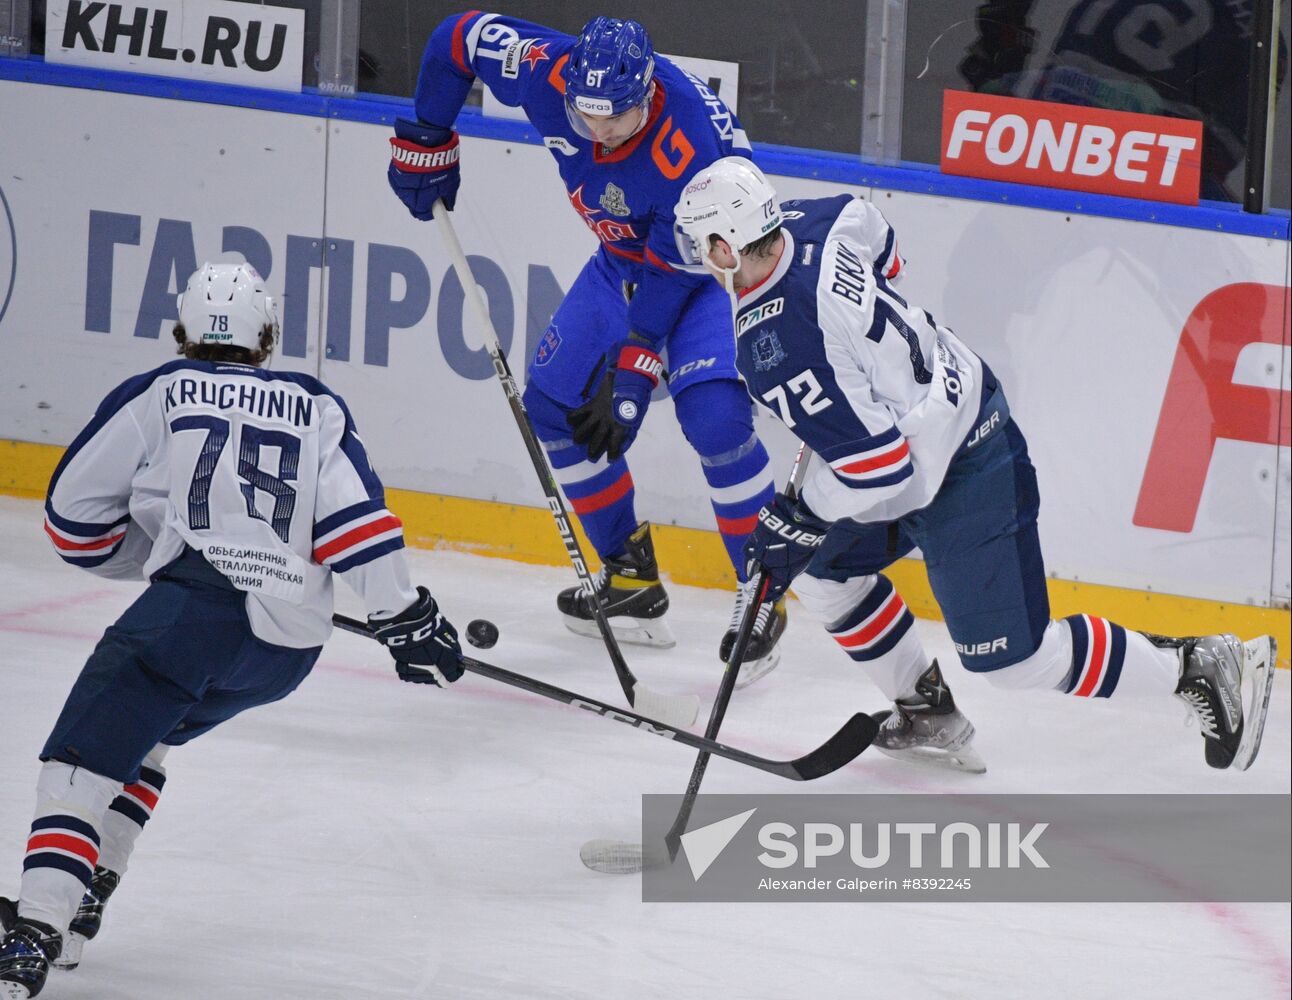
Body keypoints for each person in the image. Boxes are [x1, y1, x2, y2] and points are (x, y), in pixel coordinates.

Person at [672, 158, 1277, 773]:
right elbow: (876, 233)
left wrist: (799, 513)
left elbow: (879, 469)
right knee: (825, 571)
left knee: (1017, 662)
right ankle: (926, 707)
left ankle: (1198, 665)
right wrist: (865, 352)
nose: (697, 255)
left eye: (700, 243)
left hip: (964, 460)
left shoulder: (775, 343)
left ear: (726, 245)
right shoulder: (811, 219)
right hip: (923, 426)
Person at [0, 262, 464, 999]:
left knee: (78, 763)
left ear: (181, 332)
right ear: (268, 335)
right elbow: (355, 522)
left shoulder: (164, 389)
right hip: (285, 652)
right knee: (142, 736)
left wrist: (155, 557)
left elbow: (72, 517)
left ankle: (32, 933)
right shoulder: (315, 403)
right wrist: (404, 617)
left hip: (194, 618)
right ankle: (84, 902)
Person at [386, 12, 784, 682]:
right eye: (585, 116)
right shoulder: (545, 68)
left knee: (714, 420)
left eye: (615, 121)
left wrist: (632, 370)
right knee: (552, 408)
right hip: (624, 266)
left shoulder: (690, 146)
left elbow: (677, 271)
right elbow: (454, 38)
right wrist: (427, 136)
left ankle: (761, 592)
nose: (597, 133)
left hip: (714, 272)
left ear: (648, 95)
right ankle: (629, 579)